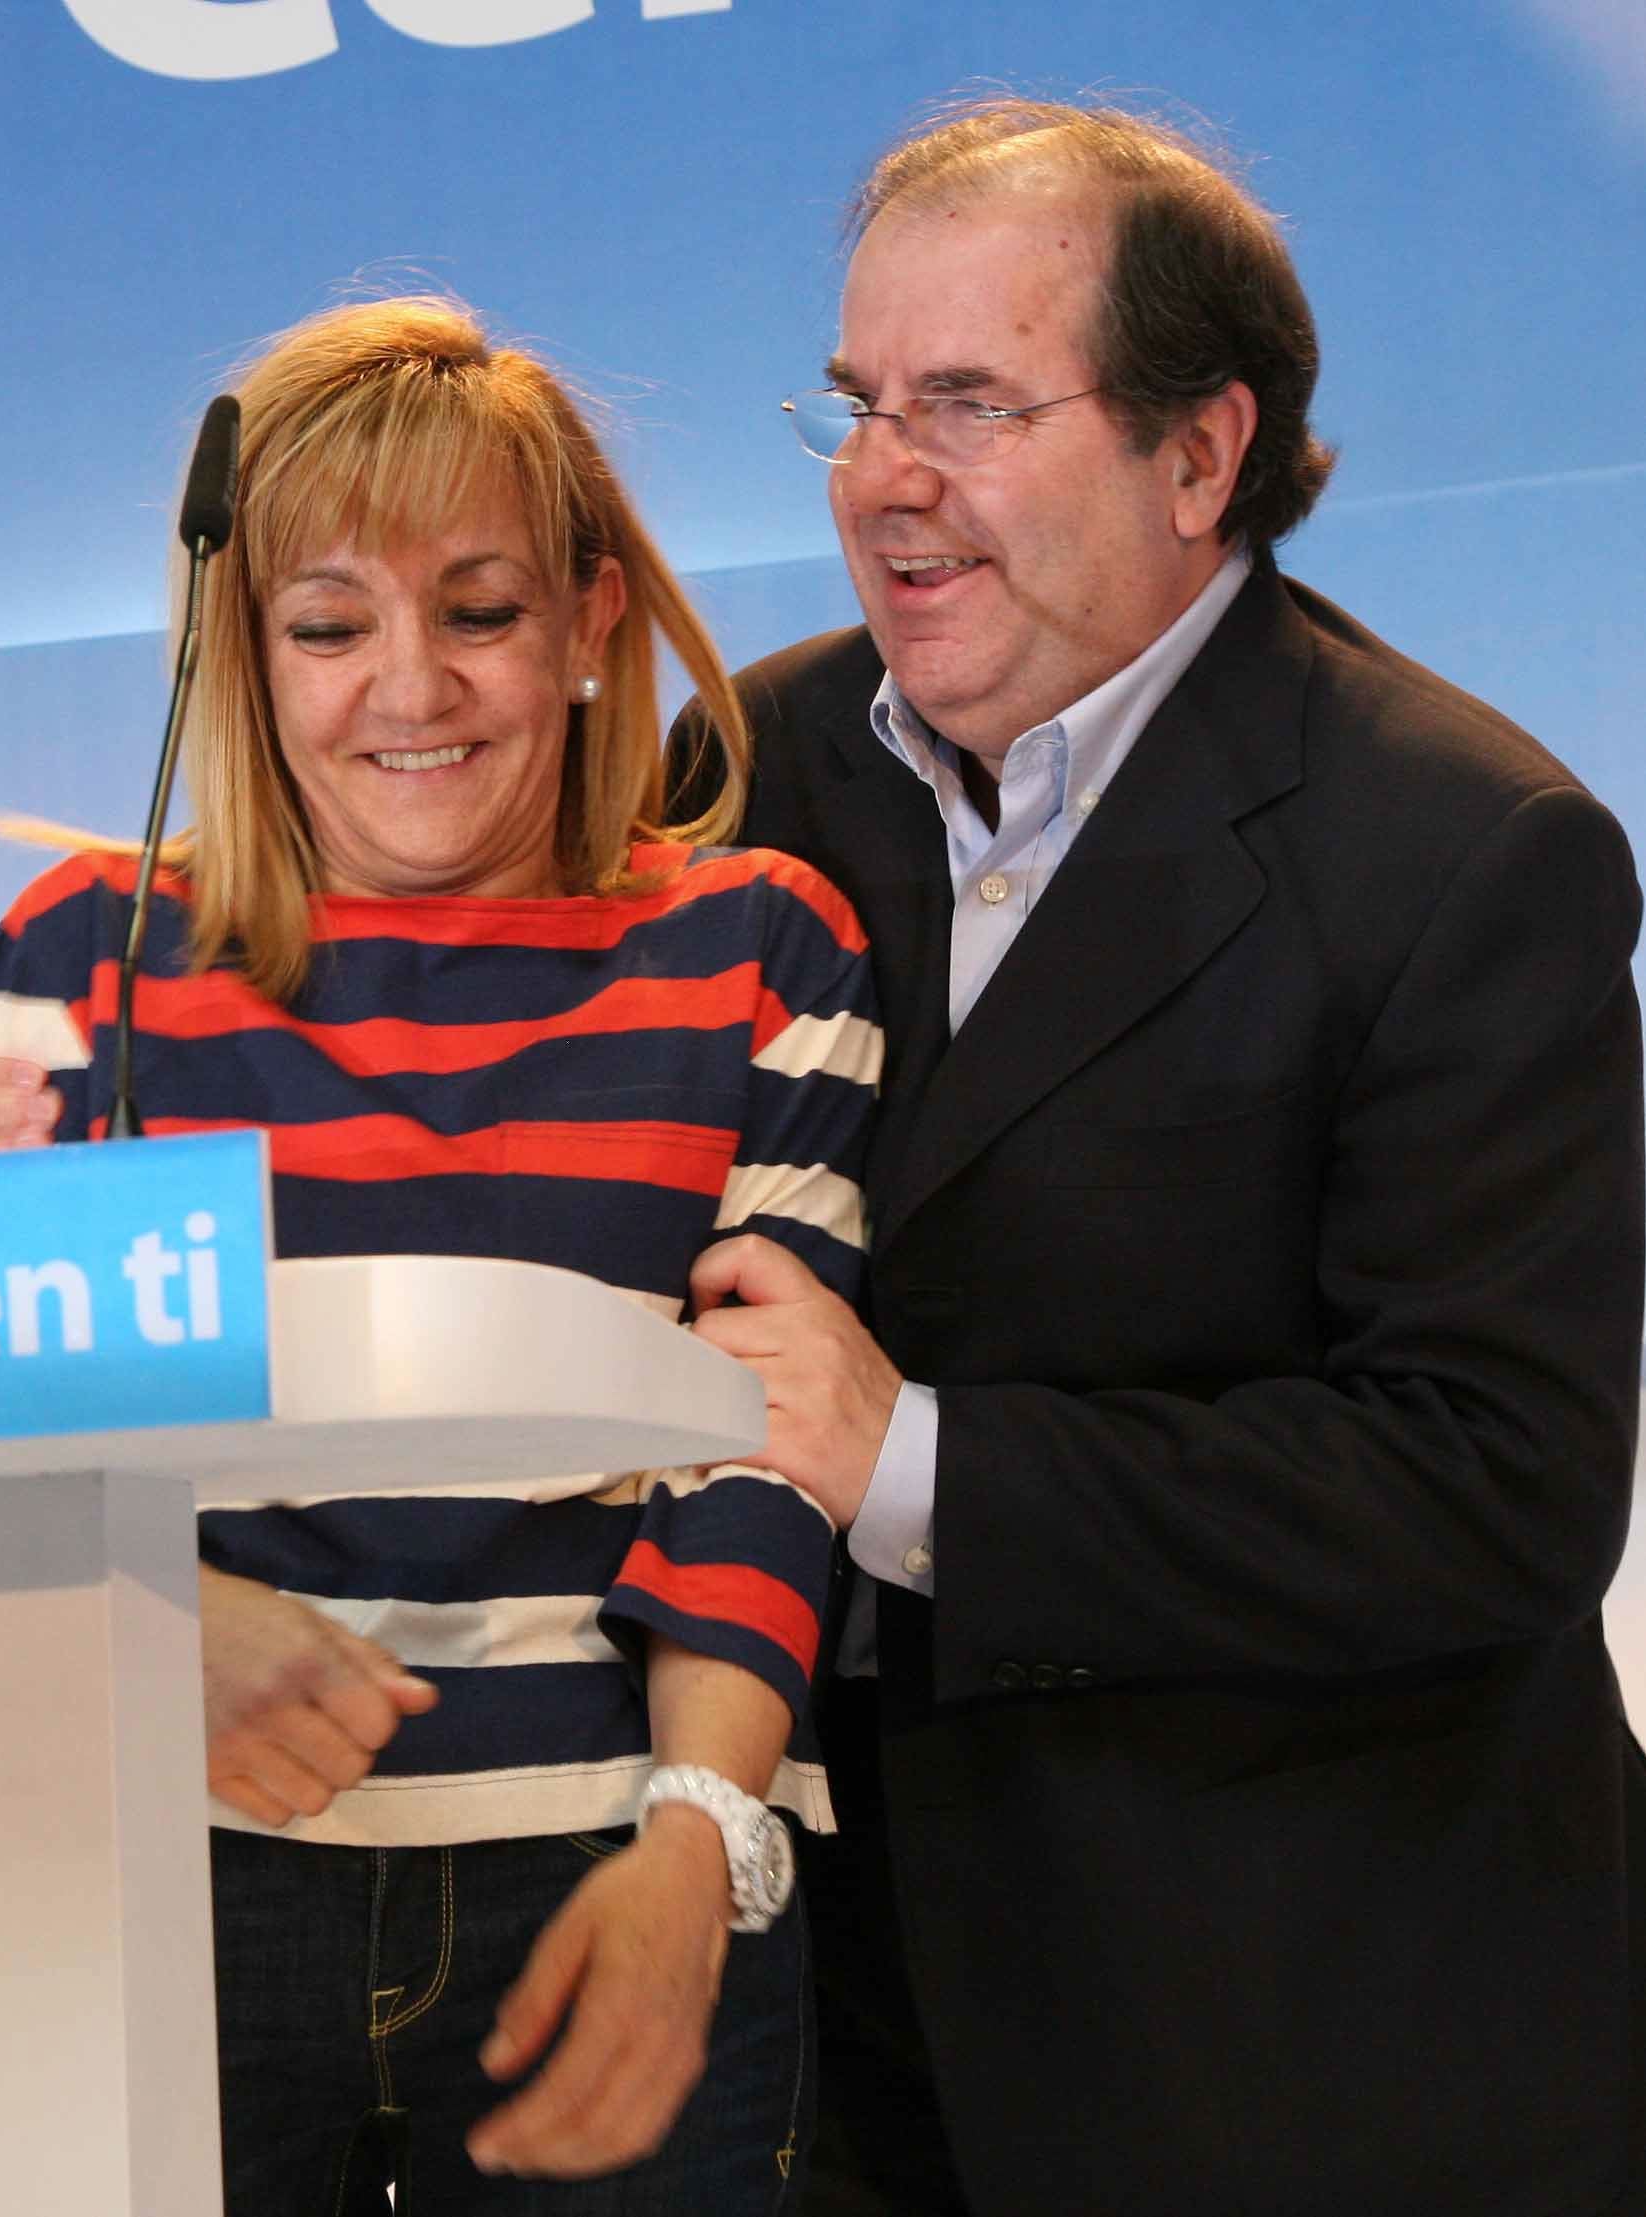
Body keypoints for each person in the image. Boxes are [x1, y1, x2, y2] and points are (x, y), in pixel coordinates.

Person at [671, 99, 1646, 2217]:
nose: (882, 480)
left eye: (966, 403)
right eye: (856, 405)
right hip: (843, 2054)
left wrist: (912, 1458)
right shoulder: (744, 767)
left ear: (1200, 456)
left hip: (1307, 2058)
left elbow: (1495, 1485)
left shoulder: (1468, 852)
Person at [0, 297, 882, 2215]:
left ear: (590, 624)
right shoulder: (83, 951)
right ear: (244, 656)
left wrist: (696, 1840)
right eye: (329, 624)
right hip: (160, 1877)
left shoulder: (762, 945)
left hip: (616, 1863)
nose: (408, 684)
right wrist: (141, 1617)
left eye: (477, 609)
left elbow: (771, 1440)